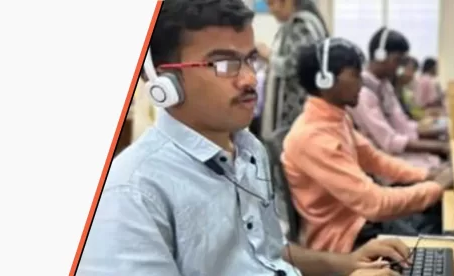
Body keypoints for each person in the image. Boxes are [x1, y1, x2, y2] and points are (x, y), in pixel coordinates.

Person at [77, 1, 410, 275]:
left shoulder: (249, 149)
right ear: (165, 83)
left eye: (251, 59)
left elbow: (267, 254)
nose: (251, 79)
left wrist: (347, 264)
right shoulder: (133, 193)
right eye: (224, 64)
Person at [281, 38, 454, 253]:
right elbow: (375, 204)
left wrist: (425, 175)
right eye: (354, 75)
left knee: (442, 230)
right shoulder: (313, 137)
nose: (361, 84)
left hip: (361, 222)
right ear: (324, 80)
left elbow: (375, 159)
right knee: (442, 243)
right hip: (344, 241)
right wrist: (436, 187)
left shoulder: (336, 119)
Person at [348, 28, 448, 172]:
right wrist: (439, 146)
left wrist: (439, 134)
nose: (398, 68)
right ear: (380, 56)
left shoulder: (385, 86)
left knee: (450, 166)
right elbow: (389, 141)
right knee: (449, 174)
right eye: (397, 60)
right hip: (385, 164)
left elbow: (403, 126)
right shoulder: (362, 92)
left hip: (400, 156)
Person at [257, 0, 329, 138]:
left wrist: (268, 56)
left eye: (272, 3)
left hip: (296, 115)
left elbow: (296, 65)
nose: (270, 10)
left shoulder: (302, 26)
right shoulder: (294, 24)